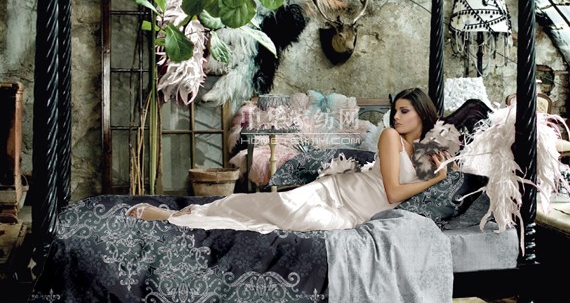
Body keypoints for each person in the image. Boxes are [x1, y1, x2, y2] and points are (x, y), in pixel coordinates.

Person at [127, 88, 450, 232]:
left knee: (279, 225)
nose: (395, 117)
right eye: (395, 110)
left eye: (404, 111)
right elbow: (393, 193)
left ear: (422, 114)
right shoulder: (390, 136)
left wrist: (444, 166)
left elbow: (446, 162)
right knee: (273, 207)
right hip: (334, 194)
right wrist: (435, 179)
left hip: (351, 215)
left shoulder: (425, 151)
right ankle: (179, 214)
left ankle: (191, 215)